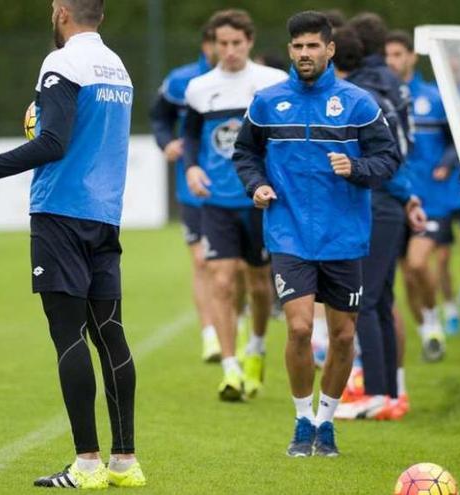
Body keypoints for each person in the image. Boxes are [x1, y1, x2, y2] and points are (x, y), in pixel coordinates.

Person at [0, 0, 145, 488]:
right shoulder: (117, 66)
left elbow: (52, 143)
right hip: (105, 214)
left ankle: (87, 464)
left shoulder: (62, 61)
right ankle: (125, 462)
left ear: (62, 11)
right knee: (110, 332)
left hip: (61, 214)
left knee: (69, 337)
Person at [233, 11, 400, 457]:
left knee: (344, 336)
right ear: (290, 51)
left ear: (329, 49)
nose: (305, 54)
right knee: (302, 328)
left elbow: (388, 159)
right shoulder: (267, 102)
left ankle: (327, 423)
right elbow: (245, 153)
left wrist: (357, 168)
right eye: (298, 47)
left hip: (344, 237)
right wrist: (257, 185)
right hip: (288, 233)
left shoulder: (358, 103)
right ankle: (302, 420)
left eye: (313, 46)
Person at [182, 9, 288, 401]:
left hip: (258, 201)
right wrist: (191, 167)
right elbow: (190, 134)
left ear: (250, 42)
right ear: (214, 44)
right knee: (223, 281)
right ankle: (230, 368)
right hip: (217, 201)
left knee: (260, 284)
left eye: (236, 43)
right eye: (222, 44)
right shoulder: (199, 87)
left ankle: (256, 349)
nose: (229, 51)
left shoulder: (273, 83)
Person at [329, 26, 425, 421]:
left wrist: (402, 196)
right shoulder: (387, 86)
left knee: (365, 299)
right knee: (381, 300)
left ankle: (375, 393)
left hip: (378, 203)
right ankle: (387, 394)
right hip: (390, 201)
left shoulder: (358, 99)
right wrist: (409, 197)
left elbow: (384, 157)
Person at [149, 16, 219, 362]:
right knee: (203, 262)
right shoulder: (181, 81)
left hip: (235, 187)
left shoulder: (249, 81)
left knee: (231, 270)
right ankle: (210, 336)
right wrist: (167, 143)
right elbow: (159, 117)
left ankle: (229, 322)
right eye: (218, 42)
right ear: (207, 44)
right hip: (192, 185)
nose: (224, 49)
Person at [385, 30, 455, 359]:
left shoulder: (434, 98)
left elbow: (458, 140)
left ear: (412, 57)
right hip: (397, 195)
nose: (393, 61)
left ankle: (432, 320)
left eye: (399, 54)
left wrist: (445, 163)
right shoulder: (379, 98)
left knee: (417, 264)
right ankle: (427, 328)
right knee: (407, 272)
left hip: (433, 198)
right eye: (388, 56)